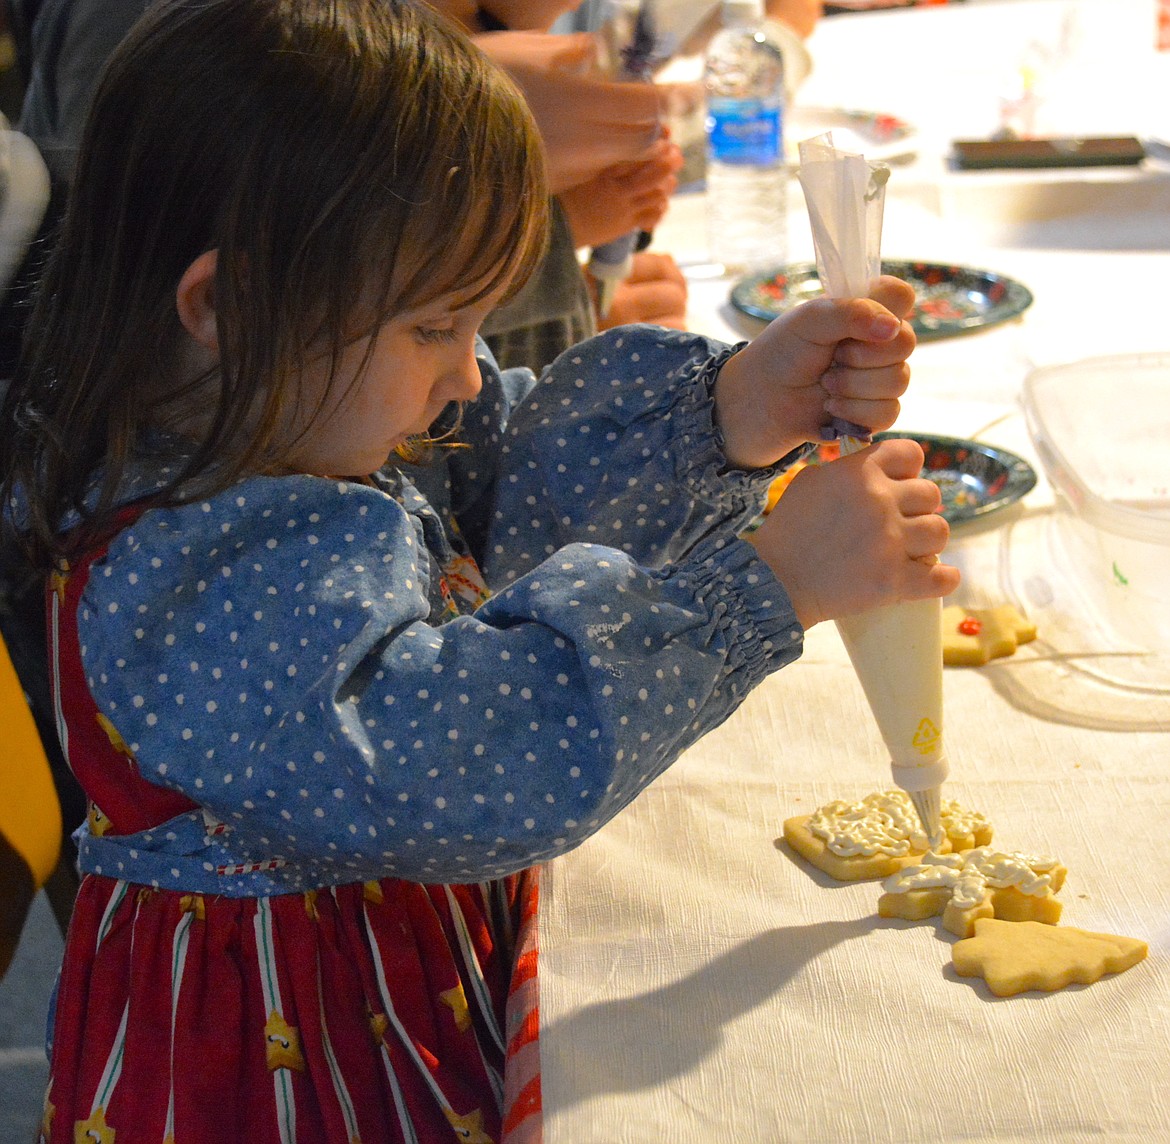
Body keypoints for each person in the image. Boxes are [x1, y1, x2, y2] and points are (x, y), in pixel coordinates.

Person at [0, 0, 956, 1139]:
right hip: (284, 1068)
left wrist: (739, 407)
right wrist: (763, 591)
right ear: (227, 304)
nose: (467, 373)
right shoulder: (192, 569)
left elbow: (516, 482)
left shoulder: (300, 403)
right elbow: (460, 761)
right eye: (435, 329)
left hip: (393, 981)